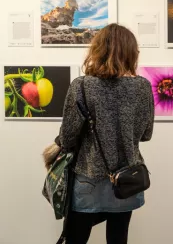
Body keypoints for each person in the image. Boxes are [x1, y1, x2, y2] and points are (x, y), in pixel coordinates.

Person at [55, 23, 154, 244]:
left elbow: (68, 137)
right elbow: (146, 134)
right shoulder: (143, 87)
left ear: (97, 50)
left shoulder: (81, 86)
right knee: (118, 239)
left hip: (88, 178)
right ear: (131, 52)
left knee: (75, 238)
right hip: (127, 180)